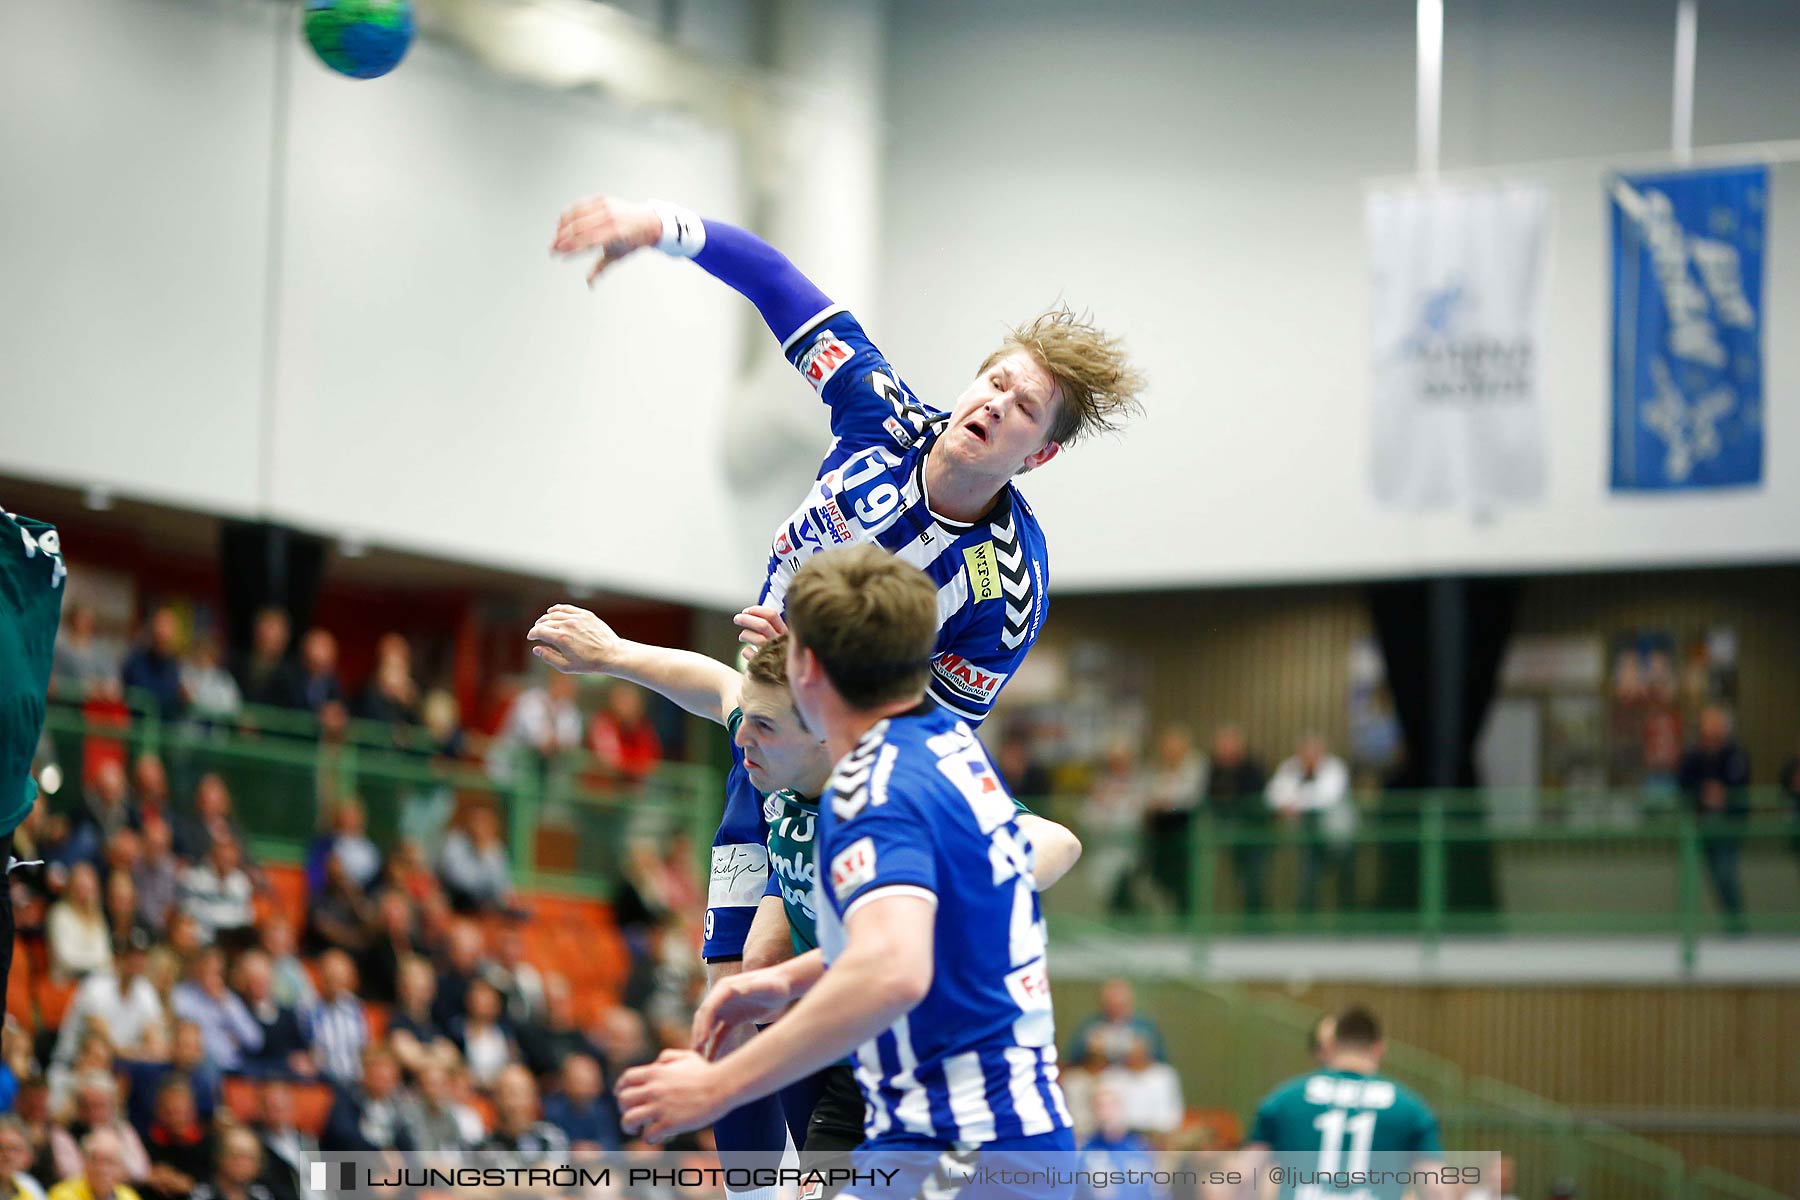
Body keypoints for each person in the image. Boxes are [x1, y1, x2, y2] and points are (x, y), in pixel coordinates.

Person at [528, 604, 1080, 1162]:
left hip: (956, 1084)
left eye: (764, 728)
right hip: (857, 1070)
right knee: (757, 969)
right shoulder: (777, 759)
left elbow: (1058, 841)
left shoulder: (898, 790)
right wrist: (612, 653)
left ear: (824, 728)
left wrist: (948, 888)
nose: (744, 743)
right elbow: (719, 686)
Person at [1217, 1006, 1449, 1200]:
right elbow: (1436, 1188)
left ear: (1331, 1045)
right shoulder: (1410, 1109)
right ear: (1379, 1048)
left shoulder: (1284, 1099)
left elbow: (1243, 1176)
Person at [1678, 705, 1751, 932]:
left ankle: (1736, 922)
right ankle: (1730, 922)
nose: (1712, 731)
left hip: (1728, 824)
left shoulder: (1735, 754)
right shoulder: (1694, 755)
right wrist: (1703, 791)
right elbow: (1684, 781)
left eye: (1716, 725)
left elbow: (1740, 782)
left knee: (1726, 872)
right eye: (1708, 725)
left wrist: (1723, 794)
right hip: (1702, 823)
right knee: (1712, 874)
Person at [1267, 734, 1356, 914]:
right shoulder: (1290, 767)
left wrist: (1294, 802)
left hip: (1338, 836)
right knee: (1308, 878)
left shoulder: (1334, 767)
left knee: (1345, 878)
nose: (1309, 758)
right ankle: (1308, 920)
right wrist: (1286, 803)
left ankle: (1348, 920)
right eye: (1305, 753)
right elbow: (1273, 795)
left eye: (1314, 753)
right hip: (1309, 837)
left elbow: (1327, 796)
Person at [1205, 725, 1270, 918]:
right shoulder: (1214, 770)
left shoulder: (1253, 768)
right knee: (1238, 880)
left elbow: (1255, 797)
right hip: (1228, 834)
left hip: (1255, 835)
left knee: (1254, 882)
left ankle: (1257, 922)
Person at [1143, 726, 1204, 914]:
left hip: (1183, 826)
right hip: (1160, 829)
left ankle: (1185, 916)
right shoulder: (1156, 768)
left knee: (1184, 877)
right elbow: (1148, 793)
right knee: (1161, 876)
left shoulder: (1195, 766)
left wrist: (1169, 803)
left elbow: (1190, 797)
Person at [1066, 979, 1166, 1067]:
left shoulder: (1145, 1027)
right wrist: (1090, 1050)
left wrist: (1143, 1051)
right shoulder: (1089, 1026)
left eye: (1120, 1005)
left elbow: (1160, 1057)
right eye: (1112, 1005)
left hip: (1136, 1076)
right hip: (1099, 1076)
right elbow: (1073, 1058)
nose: (1115, 1010)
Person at [119, 609, 185, 721]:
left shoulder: (175, 665)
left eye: (168, 629)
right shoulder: (136, 660)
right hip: (139, 728)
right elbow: (138, 692)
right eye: (160, 628)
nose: (163, 634)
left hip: (166, 731)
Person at [46, 1128, 138, 1200]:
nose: (102, 1169)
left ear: (120, 1168)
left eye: (110, 1162)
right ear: (84, 1163)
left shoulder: (129, 1197)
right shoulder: (62, 1195)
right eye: (95, 1161)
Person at [187, 1129, 273, 1200]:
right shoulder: (203, 1195)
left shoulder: (261, 1195)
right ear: (220, 1158)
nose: (244, 1164)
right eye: (237, 1155)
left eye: (251, 1158)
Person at [0, 1114, 48, 1200]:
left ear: (27, 1156)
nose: (8, 1156)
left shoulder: (28, 1185)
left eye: (15, 1149)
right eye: (1, 1148)